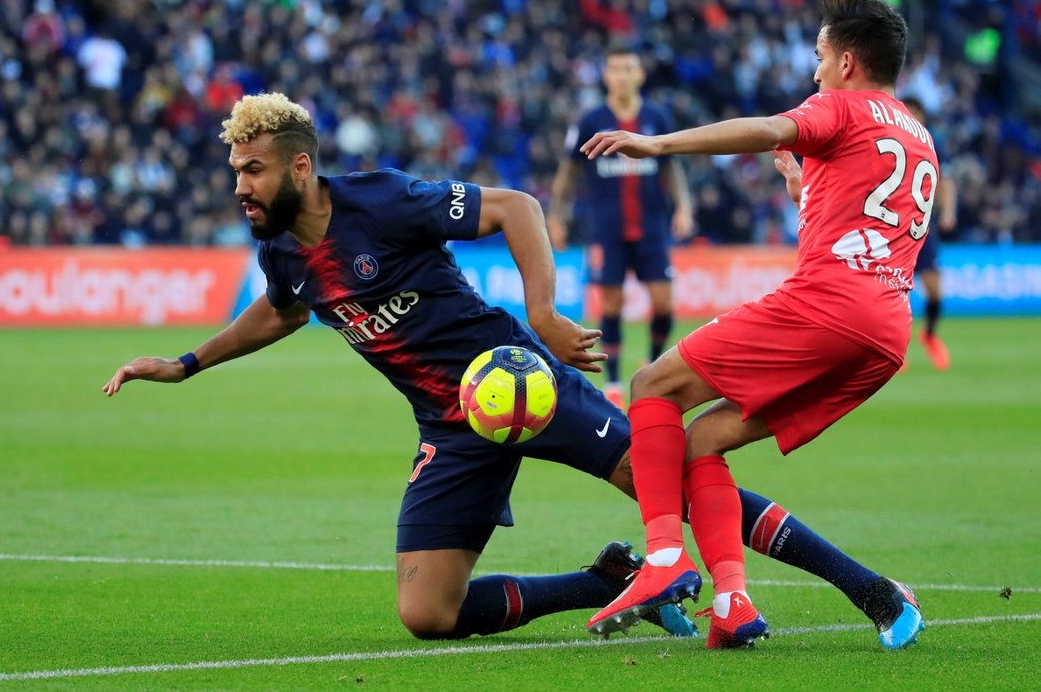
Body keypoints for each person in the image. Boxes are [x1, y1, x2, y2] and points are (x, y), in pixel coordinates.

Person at [105, 92, 921, 646]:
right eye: (235, 171)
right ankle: (607, 577)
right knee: (427, 613)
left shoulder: (382, 202)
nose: (239, 186)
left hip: (520, 379)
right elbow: (282, 308)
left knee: (661, 474)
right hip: (450, 425)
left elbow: (516, 208)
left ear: (301, 167)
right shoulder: (280, 246)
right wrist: (187, 362)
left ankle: (869, 588)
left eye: (252, 170)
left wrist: (542, 315)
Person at [582, 0, 929, 650]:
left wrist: (659, 145)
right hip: (884, 335)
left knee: (652, 386)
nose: (815, 68)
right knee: (701, 442)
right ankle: (734, 603)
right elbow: (874, 234)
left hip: (830, 306)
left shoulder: (840, 106)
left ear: (849, 62)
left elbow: (770, 128)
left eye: (822, 54)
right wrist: (808, 196)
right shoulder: (918, 137)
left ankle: (661, 558)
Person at [549, 44, 694, 410]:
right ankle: (614, 382)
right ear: (606, 76)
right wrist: (556, 215)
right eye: (616, 69)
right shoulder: (590, 120)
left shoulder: (656, 118)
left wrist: (684, 207)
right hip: (608, 228)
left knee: (664, 303)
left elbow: (671, 166)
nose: (622, 76)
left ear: (639, 75)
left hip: (652, 226)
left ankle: (653, 363)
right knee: (610, 304)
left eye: (629, 69)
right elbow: (568, 170)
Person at [902, 96, 957, 370]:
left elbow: (946, 180)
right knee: (895, 289)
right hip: (894, 225)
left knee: (934, 290)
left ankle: (930, 335)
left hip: (923, 224)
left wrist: (948, 212)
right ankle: (895, 347)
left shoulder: (932, 142)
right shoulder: (890, 137)